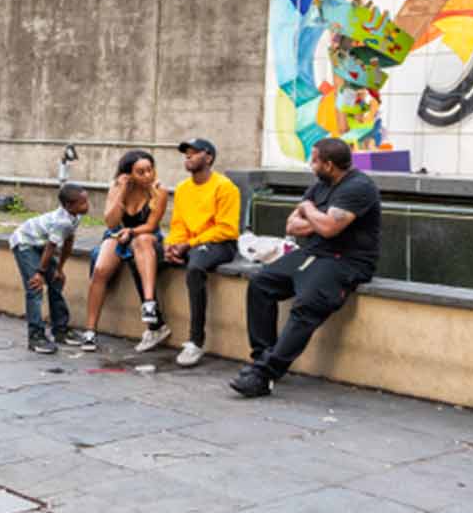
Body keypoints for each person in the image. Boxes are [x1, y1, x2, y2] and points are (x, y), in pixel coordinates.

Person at [231, 137, 382, 398]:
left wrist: (310, 210)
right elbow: (291, 226)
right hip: (313, 252)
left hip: (345, 261)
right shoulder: (319, 186)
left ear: (329, 165)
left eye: (314, 160)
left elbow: (328, 227)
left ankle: (264, 375)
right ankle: (262, 357)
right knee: (261, 284)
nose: (311, 165)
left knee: (307, 305)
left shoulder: (358, 187)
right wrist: (320, 220)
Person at [143, 138, 242, 362]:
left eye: (194, 152)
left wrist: (189, 244)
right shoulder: (183, 189)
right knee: (144, 257)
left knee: (195, 268)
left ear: (208, 157)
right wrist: (171, 247)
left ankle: (196, 341)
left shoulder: (225, 187)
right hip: (189, 243)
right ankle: (155, 325)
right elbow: (178, 224)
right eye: (186, 153)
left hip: (219, 244)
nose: (188, 156)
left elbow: (227, 229)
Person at [81, 150, 169, 350]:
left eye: (150, 170)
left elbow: (150, 225)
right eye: (141, 172)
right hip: (118, 233)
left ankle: (149, 303)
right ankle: (90, 331)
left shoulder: (159, 190)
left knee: (142, 241)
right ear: (128, 174)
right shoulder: (117, 188)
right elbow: (111, 222)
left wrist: (131, 231)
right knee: (101, 269)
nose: (148, 176)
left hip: (145, 235)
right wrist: (121, 191)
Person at [10, 184, 91, 353]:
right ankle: (35, 336)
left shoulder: (74, 217)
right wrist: (40, 273)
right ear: (69, 205)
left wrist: (59, 269)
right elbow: (51, 247)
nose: (87, 205)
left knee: (55, 282)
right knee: (35, 287)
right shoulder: (62, 222)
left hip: (40, 244)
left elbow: (68, 243)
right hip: (25, 243)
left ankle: (60, 330)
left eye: (86, 201)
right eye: (83, 203)